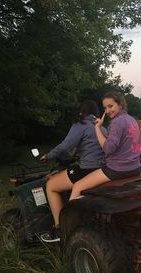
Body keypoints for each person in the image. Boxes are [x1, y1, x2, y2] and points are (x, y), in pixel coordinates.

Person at [40, 100, 107, 243]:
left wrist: (49, 156)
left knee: (51, 185)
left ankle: (60, 228)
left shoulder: (81, 124)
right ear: (96, 112)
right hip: (101, 171)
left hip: (86, 169)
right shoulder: (102, 127)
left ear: (82, 111)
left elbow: (66, 145)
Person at [69, 91, 141, 201]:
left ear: (120, 104)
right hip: (135, 168)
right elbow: (138, 149)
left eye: (110, 106)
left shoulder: (116, 122)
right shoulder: (132, 121)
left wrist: (97, 128)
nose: (107, 111)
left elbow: (108, 149)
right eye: (105, 108)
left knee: (77, 187)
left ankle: (70, 217)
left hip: (117, 170)